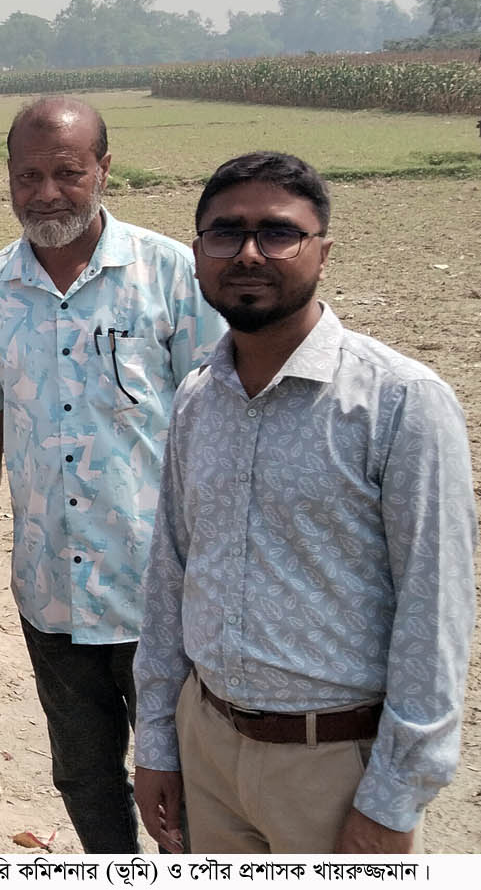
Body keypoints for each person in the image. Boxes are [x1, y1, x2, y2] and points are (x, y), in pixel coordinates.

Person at [132, 152, 476, 854]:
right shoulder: (198, 397)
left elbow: (433, 614)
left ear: (322, 251)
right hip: (208, 746)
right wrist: (160, 741)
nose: (249, 252)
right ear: (197, 254)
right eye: (224, 233)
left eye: (278, 233)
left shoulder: (398, 404)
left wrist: (390, 797)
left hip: (331, 766)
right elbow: (170, 576)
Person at [0, 97, 220, 852]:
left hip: (162, 594)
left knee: (185, 784)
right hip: (51, 591)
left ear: (102, 168)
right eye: (27, 175)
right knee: (84, 777)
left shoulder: (169, 277)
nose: (45, 192)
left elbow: (221, 425)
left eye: (66, 172)